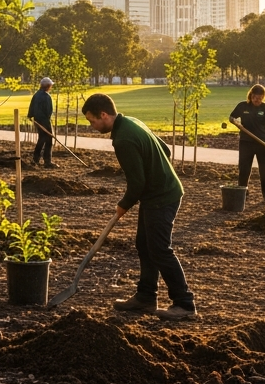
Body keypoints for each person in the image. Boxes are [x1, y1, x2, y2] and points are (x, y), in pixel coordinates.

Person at [82, 92, 197, 321]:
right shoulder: (132, 122)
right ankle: (146, 296)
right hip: (156, 195)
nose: (92, 126)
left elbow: (137, 183)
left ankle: (185, 304)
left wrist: (123, 205)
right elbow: (164, 149)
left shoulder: (123, 139)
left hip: (162, 197)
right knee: (144, 245)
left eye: (92, 121)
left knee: (160, 250)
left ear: (103, 115)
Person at [230, 83, 265, 203]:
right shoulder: (242, 106)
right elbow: (231, 117)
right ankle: (243, 195)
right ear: (250, 96)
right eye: (255, 97)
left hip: (263, 144)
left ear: (263, 97)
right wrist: (235, 122)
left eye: (260, 98)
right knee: (244, 170)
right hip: (245, 143)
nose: (257, 100)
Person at [29, 77, 55, 168]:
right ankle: (47, 161)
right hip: (44, 121)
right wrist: (47, 121)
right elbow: (49, 111)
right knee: (49, 141)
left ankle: (35, 159)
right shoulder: (46, 97)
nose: (51, 87)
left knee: (41, 139)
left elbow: (31, 107)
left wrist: (30, 116)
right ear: (47, 86)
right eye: (50, 85)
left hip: (37, 121)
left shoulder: (36, 95)